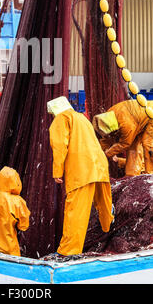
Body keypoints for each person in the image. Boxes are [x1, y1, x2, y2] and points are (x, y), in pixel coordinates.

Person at [48, 96, 114, 259]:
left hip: (81, 170)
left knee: (75, 211)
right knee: (104, 200)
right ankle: (108, 223)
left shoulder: (61, 118)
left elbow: (59, 146)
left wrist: (57, 172)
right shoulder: (81, 118)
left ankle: (68, 251)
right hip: (99, 166)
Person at [93, 99, 153, 176]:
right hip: (139, 121)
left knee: (149, 147)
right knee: (133, 148)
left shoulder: (126, 125)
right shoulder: (109, 116)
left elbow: (124, 144)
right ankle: (131, 176)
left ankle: (151, 177)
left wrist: (107, 154)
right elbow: (107, 137)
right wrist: (98, 152)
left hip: (151, 117)